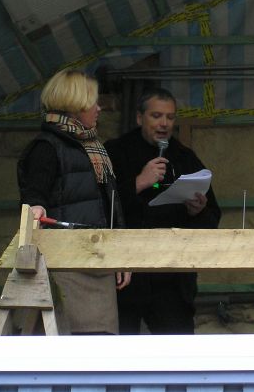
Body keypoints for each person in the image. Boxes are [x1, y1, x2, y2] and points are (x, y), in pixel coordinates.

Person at [17, 69, 130, 335]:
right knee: (68, 345)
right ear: (76, 104)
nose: (99, 108)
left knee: (100, 345)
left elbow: (111, 206)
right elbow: (34, 198)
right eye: (93, 102)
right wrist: (35, 209)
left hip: (99, 263)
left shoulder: (93, 148)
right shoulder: (46, 147)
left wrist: (122, 254)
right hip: (65, 267)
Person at [105, 88, 221, 334]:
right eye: (156, 116)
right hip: (125, 272)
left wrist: (198, 211)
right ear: (140, 118)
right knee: (121, 347)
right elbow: (100, 207)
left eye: (170, 117)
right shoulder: (116, 152)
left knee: (176, 348)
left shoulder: (184, 157)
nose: (164, 124)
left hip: (171, 276)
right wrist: (138, 183)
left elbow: (213, 216)